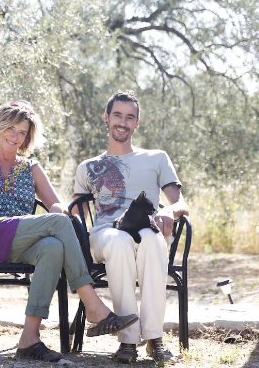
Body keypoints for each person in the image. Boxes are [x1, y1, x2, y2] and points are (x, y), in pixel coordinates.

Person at [0, 100, 139, 362]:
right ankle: (93, 305)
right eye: (11, 129)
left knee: (53, 246)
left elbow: (55, 205)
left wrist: (64, 212)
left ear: (27, 137)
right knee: (58, 225)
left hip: (22, 242)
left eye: (22, 132)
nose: (15, 136)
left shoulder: (31, 167)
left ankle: (29, 339)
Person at [73, 91, 189, 364]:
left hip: (149, 227)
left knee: (151, 240)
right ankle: (127, 340)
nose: (122, 122)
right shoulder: (88, 167)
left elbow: (180, 203)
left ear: (137, 123)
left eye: (129, 117)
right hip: (107, 234)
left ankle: (154, 338)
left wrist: (169, 212)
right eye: (117, 115)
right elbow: (78, 212)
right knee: (118, 241)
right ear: (106, 118)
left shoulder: (157, 158)